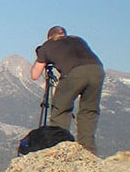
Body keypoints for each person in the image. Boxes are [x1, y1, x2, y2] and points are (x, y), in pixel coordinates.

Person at [29, 25, 105, 155]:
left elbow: (35, 75)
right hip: (97, 70)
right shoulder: (78, 40)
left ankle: (60, 148)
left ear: (49, 37)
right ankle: (89, 152)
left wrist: (42, 56)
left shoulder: (47, 45)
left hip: (74, 73)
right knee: (89, 112)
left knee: (60, 109)